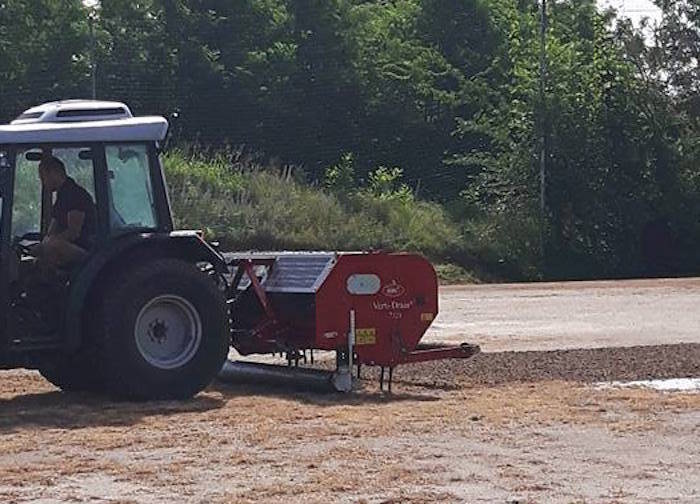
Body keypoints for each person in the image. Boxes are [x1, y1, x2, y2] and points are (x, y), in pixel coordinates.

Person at [35, 155, 96, 269]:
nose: (43, 183)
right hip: (73, 246)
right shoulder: (61, 196)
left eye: (43, 177)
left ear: (53, 173)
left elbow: (73, 233)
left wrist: (48, 244)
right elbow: (52, 229)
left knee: (53, 244)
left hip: (86, 250)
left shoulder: (74, 195)